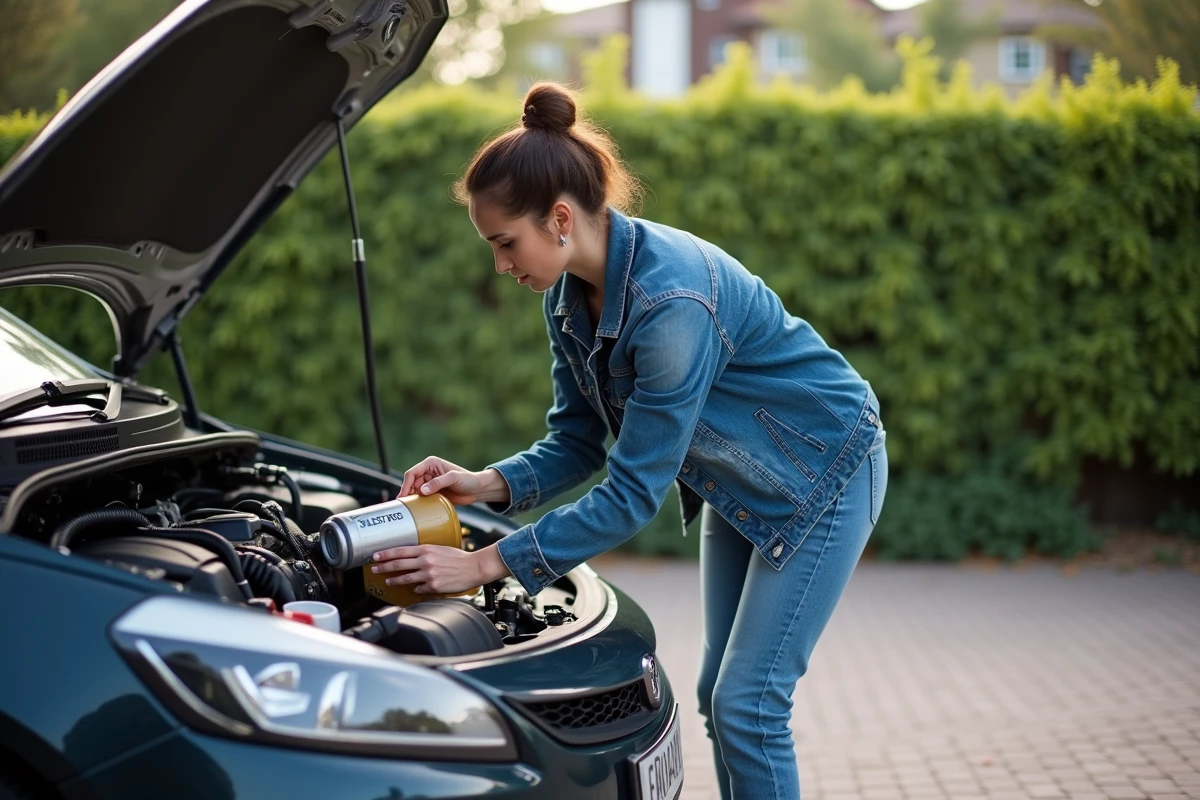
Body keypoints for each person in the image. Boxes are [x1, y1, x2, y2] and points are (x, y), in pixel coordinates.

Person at [369, 81, 888, 799]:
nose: (499, 265)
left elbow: (633, 492)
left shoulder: (670, 306)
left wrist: (487, 564)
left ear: (558, 219)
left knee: (749, 705)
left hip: (827, 470)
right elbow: (577, 442)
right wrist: (483, 483)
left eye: (504, 243)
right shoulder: (566, 298)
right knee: (721, 697)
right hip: (739, 483)